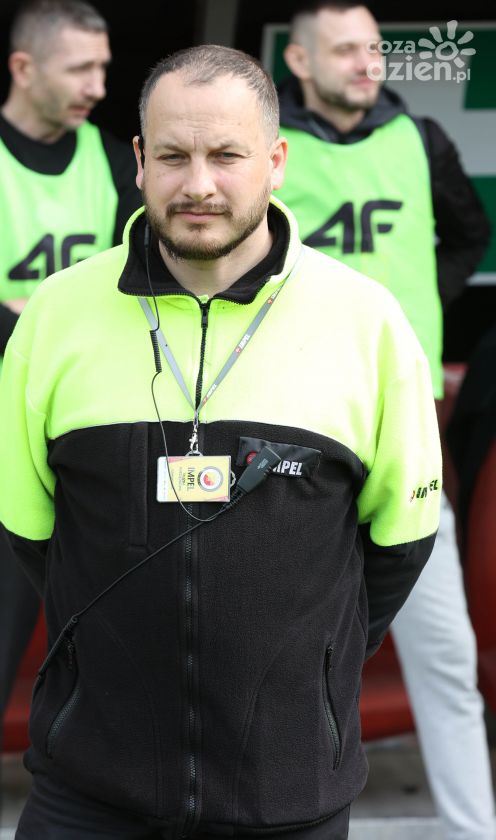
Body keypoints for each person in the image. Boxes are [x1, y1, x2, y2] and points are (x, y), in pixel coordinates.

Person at [0, 44, 441, 839]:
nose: (198, 184)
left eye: (227, 156)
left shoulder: (366, 322)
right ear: (139, 161)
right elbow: (32, 532)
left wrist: (311, 672)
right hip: (89, 790)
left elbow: (400, 540)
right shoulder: (55, 316)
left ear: (276, 161)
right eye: (173, 156)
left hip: (288, 792)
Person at [0, 0, 140, 837]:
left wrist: (26, 315)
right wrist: (81, 324)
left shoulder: (112, 160)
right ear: (23, 68)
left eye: (103, 67)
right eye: (81, 68)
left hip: (97, 438)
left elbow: (146, 286)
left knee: (120, 660)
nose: (99, 86)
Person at [277, 3, 495, 838]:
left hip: (406, 432)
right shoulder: (268, 148)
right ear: (301, 61)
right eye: (346, 50)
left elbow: (468, 235)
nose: (368, 63)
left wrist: (416, 310)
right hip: (299, 428)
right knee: (288, 652)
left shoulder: (421, 139)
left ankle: (474, 829)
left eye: (374, 48)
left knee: (445, 655)